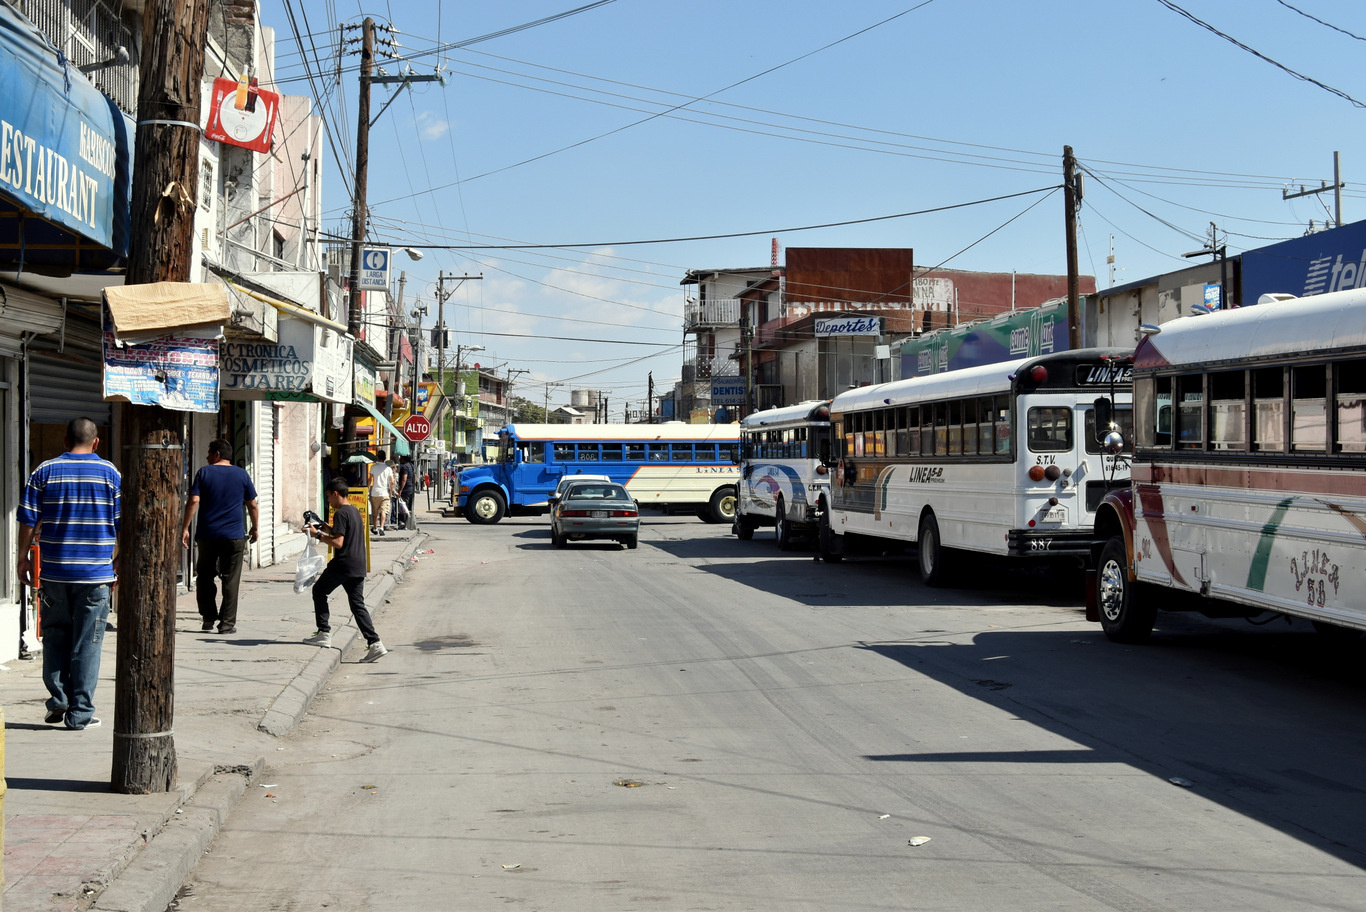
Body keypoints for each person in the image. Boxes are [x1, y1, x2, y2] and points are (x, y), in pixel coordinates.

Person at [16, 417, 121, 730]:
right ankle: (80, 713)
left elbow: (27, 520)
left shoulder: (44, 471)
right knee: (88, 642)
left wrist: (22, 558)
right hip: (95, 575)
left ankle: (59, 698)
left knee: (55, 636)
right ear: (96, 442)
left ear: (65, 441)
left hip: (54, 574)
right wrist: (121, 561)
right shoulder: (110, 474)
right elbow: (121, 522)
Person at [303, 478, 387, 662]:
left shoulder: (341, 513)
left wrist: (317, 534)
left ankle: (324, 633)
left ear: (335, 493)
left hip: (343, 564)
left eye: (328, 497)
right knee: (358, 605)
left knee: (319, 591)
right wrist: (326, 528)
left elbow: (339, 543)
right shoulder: (354, 511)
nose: (329, 501)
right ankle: (375, 643)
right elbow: (341, 533)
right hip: (358, 564)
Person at [180, 438, 259, 634]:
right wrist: (255, 527)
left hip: (208, 535)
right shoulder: (242, 474)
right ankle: (227, 624)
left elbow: (193, 501)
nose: (207, 457)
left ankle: (208, 618)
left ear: (217, 454)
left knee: (205, 576)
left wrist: (185, 527)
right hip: (234, 536)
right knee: (230, 579)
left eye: (209, 453)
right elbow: (253, 504)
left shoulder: (204, 472)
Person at [368, 450, 394, 536]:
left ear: (377, 457)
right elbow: (392, 482)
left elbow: (370, 479)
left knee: (374, 512)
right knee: (384, 511)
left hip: (375, 492)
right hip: (384, 493)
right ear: (385, 458)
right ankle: (382, 527)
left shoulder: (373, 467)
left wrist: (368, 490)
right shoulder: (388, 469)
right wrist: (390, 493)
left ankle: (375, 528)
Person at [396, 454, 416, 529]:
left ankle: (403, 523)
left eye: (401, 458)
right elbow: (414, 478)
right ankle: (406, 523)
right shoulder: (411, 466)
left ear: (404, 459)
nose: (400, 459)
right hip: (410, 489)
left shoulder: (405, 467)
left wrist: (400, 489)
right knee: (407, 506)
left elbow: (404, 479)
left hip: (406, 489)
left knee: (403, 506)